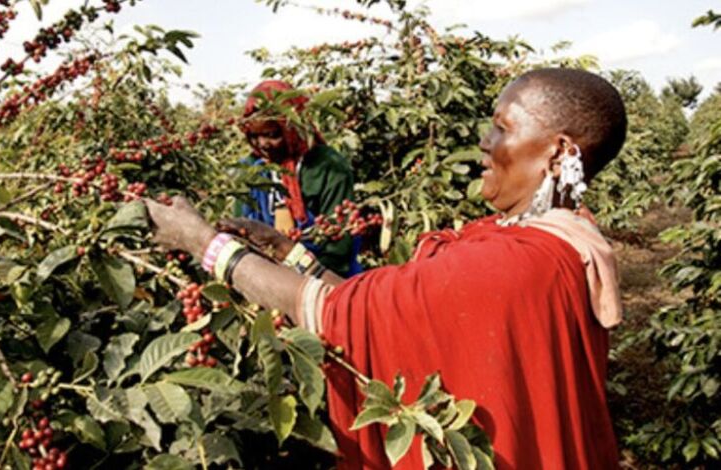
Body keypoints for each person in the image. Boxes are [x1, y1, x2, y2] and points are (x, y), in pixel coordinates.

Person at [145, 68, 627, 469]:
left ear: (559, 152)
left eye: (501, 126)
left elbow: (336, 313)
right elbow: (376, 309)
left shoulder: (513, 261)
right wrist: (287, 250)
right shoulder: (546, 241)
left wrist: (202, 243)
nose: (484, 140)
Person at [232, 79, 361, 277]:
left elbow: (339, 244)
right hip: (267, 277)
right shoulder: (252, 170)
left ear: (291, 129)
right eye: (255, 137)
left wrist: (300, 277)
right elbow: (240, 230)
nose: (263, 144)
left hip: (322, 276)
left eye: (272, 134)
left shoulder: (327, 166)